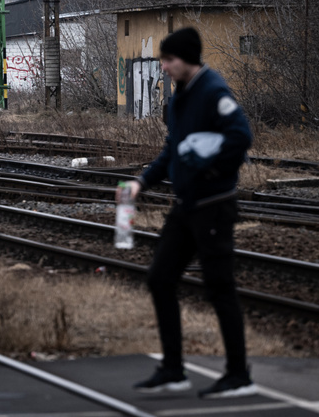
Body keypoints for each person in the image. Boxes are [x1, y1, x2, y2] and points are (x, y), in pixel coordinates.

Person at [119, 27, 257, 399]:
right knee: (160, 279)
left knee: (219, 287)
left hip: (213, 206)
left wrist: (212, 171)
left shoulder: (214, 91)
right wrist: (141, 182)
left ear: (187, 59)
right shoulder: (180, 97)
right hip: (185, 206)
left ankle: (238, 374)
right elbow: (172, 150)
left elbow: (241, 136)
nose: (163, 67)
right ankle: (173, 369)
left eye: (168, 60)